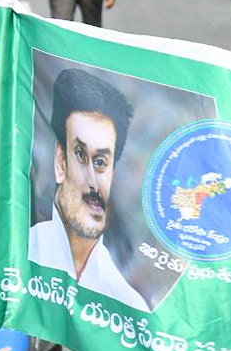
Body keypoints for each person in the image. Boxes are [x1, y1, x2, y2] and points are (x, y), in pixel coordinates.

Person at [29, 69, 147, 311]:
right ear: (60, 162)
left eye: (101, 162)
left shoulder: (126, 303)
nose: (93, 182)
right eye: (81, 155)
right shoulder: (20, 259)